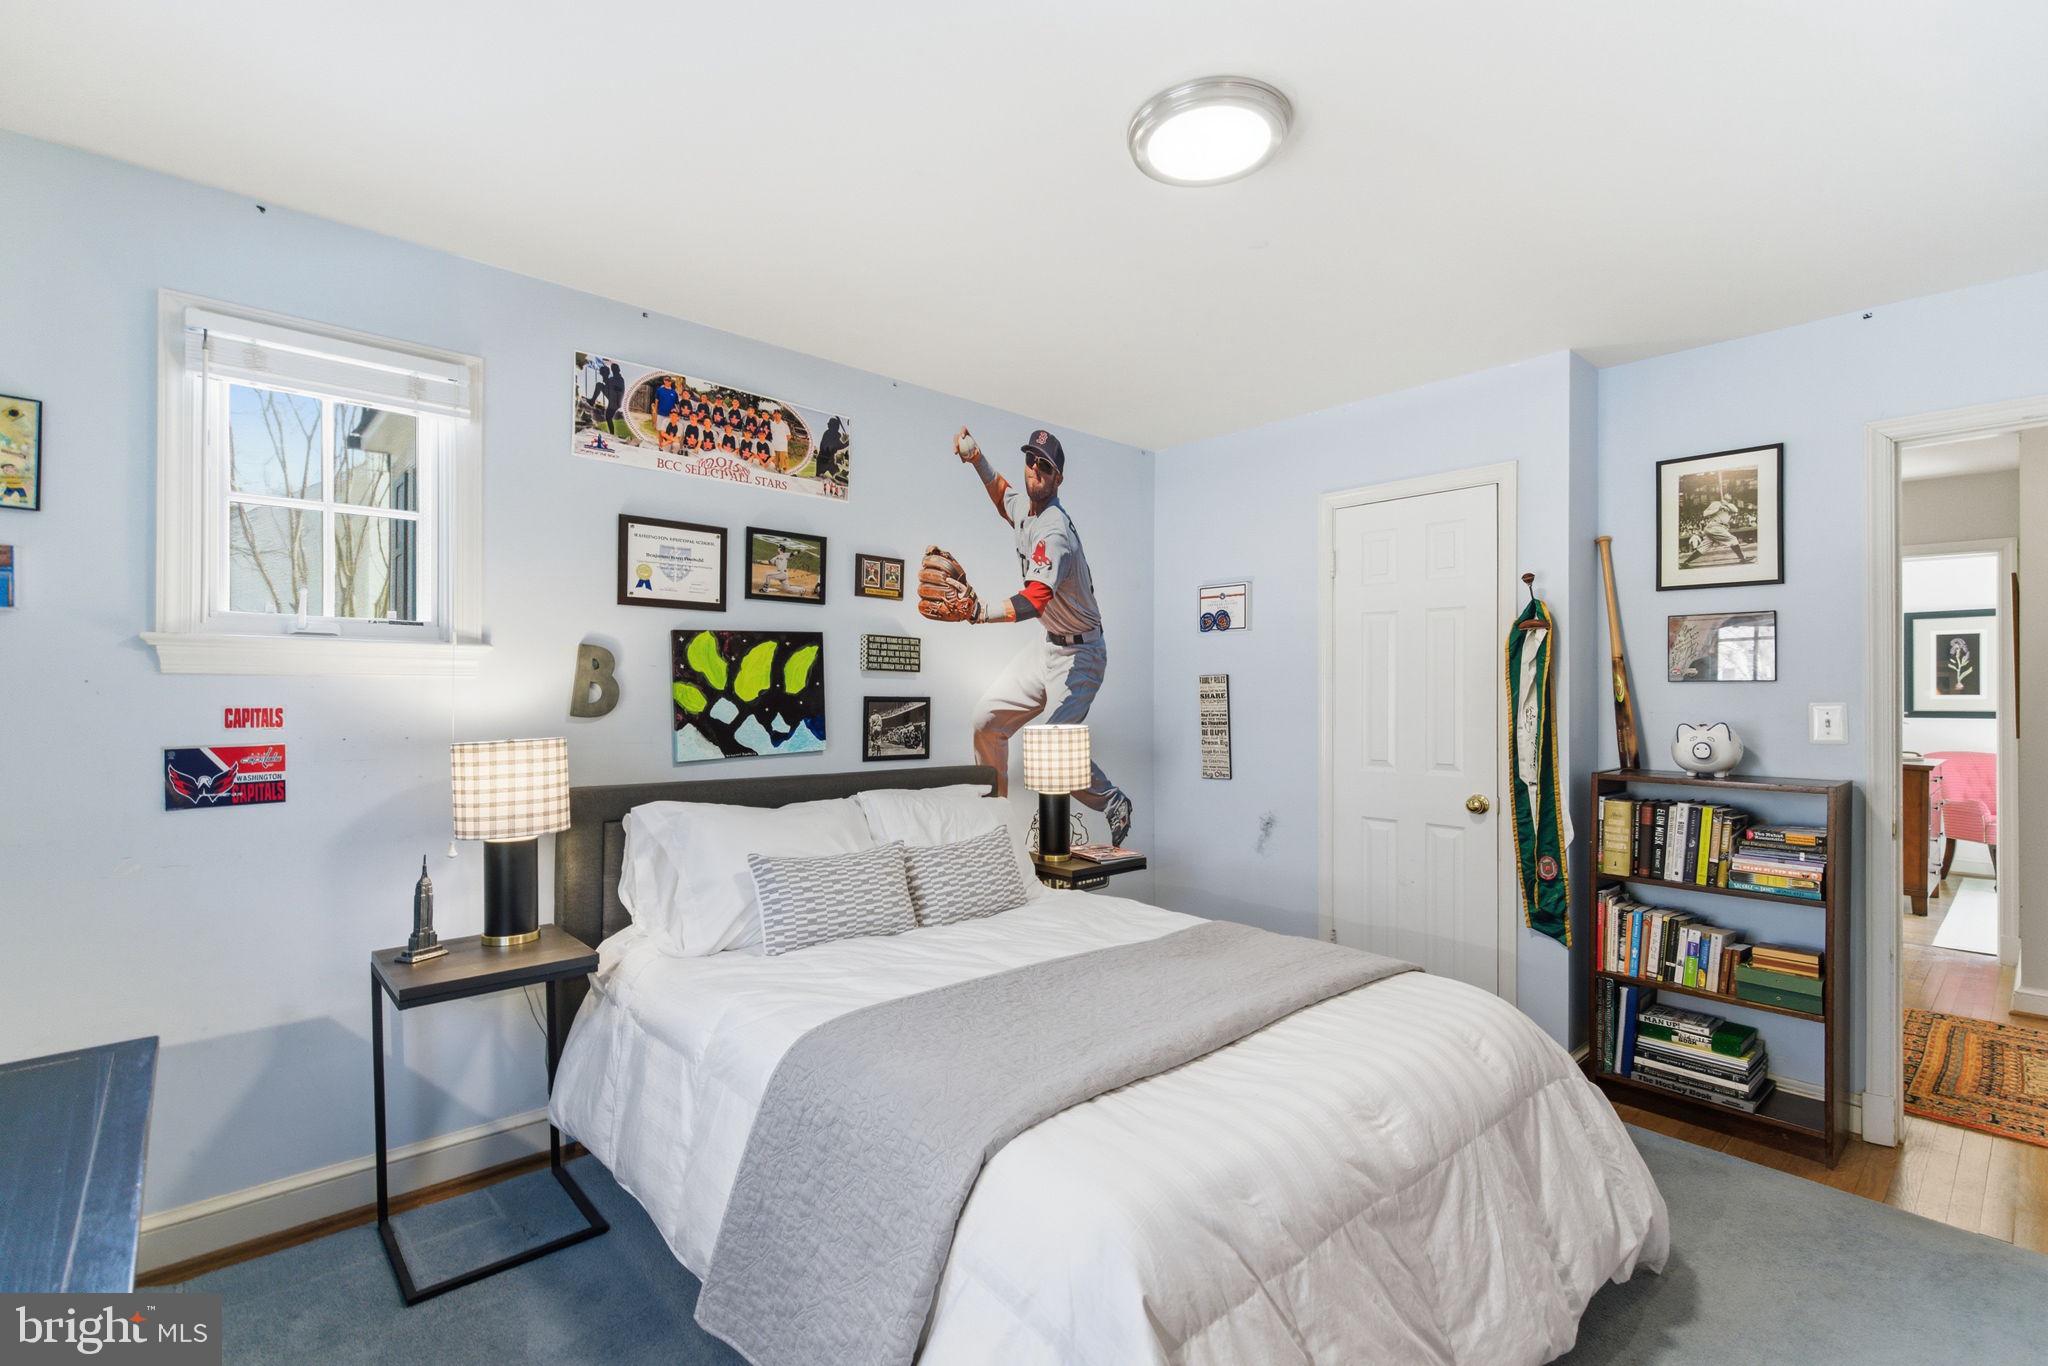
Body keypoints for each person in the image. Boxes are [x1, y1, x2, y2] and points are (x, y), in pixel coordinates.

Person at [945, 426, 1132, 844]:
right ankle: (996, 826)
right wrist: (976, 457)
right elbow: (1002, 495)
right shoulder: (1027, 509)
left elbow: (1036, 599)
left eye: (1045, 466)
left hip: (1082, 655)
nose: (1035, 470)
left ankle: (1112, 799)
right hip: (1048, 647)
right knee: (985, 722)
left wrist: (980, 612)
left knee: (1048, 750)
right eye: (1031, 460)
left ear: (1058, 477)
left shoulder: (1055, 532)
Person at [653, 375, 680, 451]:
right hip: (661, 413)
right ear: (664, 381)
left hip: (670, 416)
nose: (667, 381)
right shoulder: (659, 390)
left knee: (669, 432)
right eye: (665, 380)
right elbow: (656, 401)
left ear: (671, 382)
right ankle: (660, 446)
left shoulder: (674, 392)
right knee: (660, 430)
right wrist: (655, 410)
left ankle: (669, 447)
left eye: (668, 380)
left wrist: (678, 414)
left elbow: (677, 404)